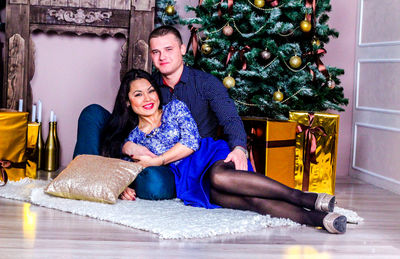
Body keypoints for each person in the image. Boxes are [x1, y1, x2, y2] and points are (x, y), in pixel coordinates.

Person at [119, 69, 347, 234]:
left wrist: (158, 160)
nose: (148, 98)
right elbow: (123, 166)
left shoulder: (174, 108)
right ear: (128, 102)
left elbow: (191, 141)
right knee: (250, 201)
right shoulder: (134, 137)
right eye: (138, 94)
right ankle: (319, 218)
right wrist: (122, 186)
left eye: (150, 91)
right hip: (189, 179)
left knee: (219, 176)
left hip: (207, 157)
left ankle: (305, 197)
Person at [74, 25, 248, 200]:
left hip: (185, 162)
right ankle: (83, 179)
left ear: (182, 49)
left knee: (153, 182)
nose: (162, 57)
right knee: (92, 113)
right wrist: (125, 146)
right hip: (148, 152)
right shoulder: (148, 84)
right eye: (156, 52)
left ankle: (113, 180)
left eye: (168, 49)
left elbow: (230, 119)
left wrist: (239, 149)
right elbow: (125, 125)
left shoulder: (206, 83)